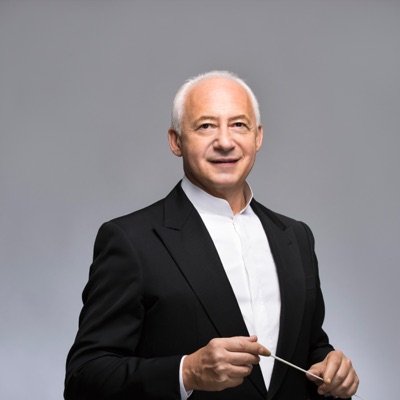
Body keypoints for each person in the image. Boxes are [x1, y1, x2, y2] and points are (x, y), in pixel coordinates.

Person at [64, 71, 359, 400]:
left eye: (239, 125)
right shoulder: (130, 241)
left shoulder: (296, 237)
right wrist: (186, 372)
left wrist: (332, 369)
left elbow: (309, 348)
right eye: (206, 126)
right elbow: (84, 377)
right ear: (176, 141)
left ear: (258, 137)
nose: (225, 141)